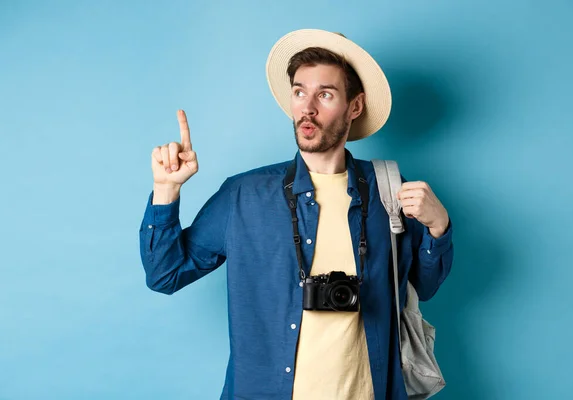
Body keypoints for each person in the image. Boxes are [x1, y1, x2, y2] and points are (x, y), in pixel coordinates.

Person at [139, 29, 454, 400]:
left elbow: (423, 287)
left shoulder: (388, 188)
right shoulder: (244, 195)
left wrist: (438, 227)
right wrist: (166, 190)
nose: (308, 107)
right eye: (300, 91)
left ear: (355, 107)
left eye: (325, 94)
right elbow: (165, 274)